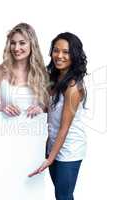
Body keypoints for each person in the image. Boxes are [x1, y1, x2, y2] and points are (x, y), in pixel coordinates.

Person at [28, 32, 88, 200]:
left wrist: (50, 159)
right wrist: (41, 108)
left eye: (66, 52)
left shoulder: (73, 87)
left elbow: (64, 128)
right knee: (61, 195)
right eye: (56, 50)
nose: (59, 56)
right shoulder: (54, 77)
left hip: (69, 151)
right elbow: (50, 107)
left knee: (63, 196)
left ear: (74, 55)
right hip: (53, 146)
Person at [0, 23, 49, 118]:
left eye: (22, 43)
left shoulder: (42, 74)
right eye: (13, 43)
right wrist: (1, 108)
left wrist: (41, 110)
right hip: (5, 130)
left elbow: (48, 111)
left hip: (33, 130)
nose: (16, 48)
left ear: (32, 45)